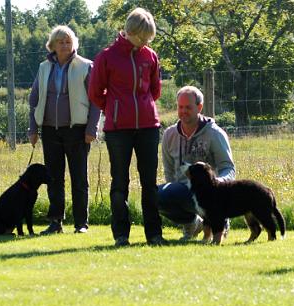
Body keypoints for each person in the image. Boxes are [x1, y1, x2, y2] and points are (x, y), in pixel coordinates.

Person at [88, 8, 165, 247]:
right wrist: (113, 109)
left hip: (148, 127)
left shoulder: (150, 56)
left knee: (149, 183)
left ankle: (154, 234)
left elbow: (155, 90)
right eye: (142, 37)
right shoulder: (106, 57)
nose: (145, 42)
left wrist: (145, 107)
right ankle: (121, 235)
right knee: (119, 183)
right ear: (129, 31)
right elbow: (95, 92)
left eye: (148, 38)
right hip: (118, 129)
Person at [29, 25, 100, 235]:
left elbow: (96, 101)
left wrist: (92, 128)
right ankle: (55, 222)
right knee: (54, 178)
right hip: (50, 130)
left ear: (74, 44)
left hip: (77, 131)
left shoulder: (86, 66)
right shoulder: (43, 68)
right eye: (60, 41)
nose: (64, 45)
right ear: (52, 45)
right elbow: (34, 99)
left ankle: (81, 224)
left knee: (79, 179)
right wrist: (33, 128)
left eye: (68, 41)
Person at [157, 85, 235, 241]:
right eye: (180, 107)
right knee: (156, 195)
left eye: (188, 107)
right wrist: (172, 192)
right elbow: (169, 170)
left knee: (207, 197)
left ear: (199, 107)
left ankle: (219, 221)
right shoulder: (169, 135)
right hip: (183, 190)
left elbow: (228, 168)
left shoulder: (215, 134)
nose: (183, 111)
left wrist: (219, 183)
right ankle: (191, 223)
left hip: (211, 192)